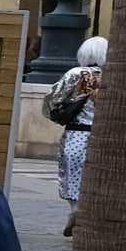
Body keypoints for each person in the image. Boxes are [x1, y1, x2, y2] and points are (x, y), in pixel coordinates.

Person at [47, 37, 105, 238]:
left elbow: (54, 99)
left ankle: (75, 212)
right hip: (104, 136)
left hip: (77, 133)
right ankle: (94, 217)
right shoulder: (113, 76)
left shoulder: (75, 74)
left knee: (73, 175)